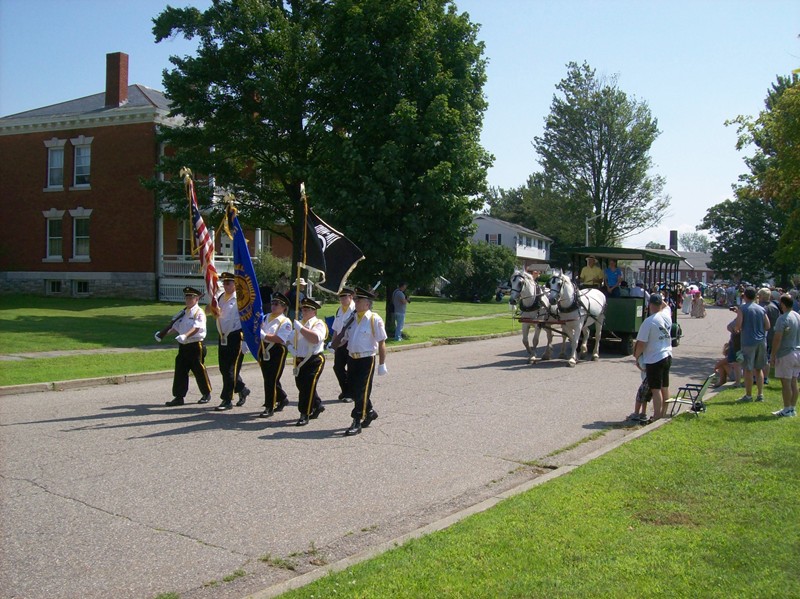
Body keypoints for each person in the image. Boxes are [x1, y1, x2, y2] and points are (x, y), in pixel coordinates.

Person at [343, 287, 388, 436]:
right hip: (352, 358)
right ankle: (369, 411)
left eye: (359, 300)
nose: (355, 302)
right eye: (355, 300)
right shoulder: (352, 317)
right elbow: (347, 336)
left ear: (367, 304)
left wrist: (382, 364)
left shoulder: (374, 319)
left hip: (366, 359)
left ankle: (356, 421)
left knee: (362, 390)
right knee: (354, 390)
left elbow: (381, 342)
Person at [164, 286, 212, 406]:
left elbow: (197, 328)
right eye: (187, 297)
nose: (189, 299)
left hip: (196, 345)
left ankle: (206, 393)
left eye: (191, 297)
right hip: (184, 346)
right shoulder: (184, 312)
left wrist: (185, 335)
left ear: (197, 299)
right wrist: (163, 334)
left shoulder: (198, 312)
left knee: (198, 370)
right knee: (180, 370)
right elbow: (176, 326)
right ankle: (179, 397)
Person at [632, 293, 673, 421]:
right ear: (661, 304)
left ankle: (656, 416)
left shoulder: (649, 321)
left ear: (649, 305)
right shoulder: (667, 314)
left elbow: (641, 344)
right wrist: (661, 299)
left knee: (655, 389)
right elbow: (667, 306)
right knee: (664, 387)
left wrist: (636, 357)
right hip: (667, 353)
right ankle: (664, 413)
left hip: (654, 358)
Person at [214, 272, 250, 411]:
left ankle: (227, 399)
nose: (225, 285)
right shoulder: (220, 297)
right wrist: (212, 305)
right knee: (224, 368)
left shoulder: (240, 299)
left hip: (236, 336)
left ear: (235, 284)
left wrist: (246, 340)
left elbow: (247, 320)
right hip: (223, 336)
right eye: (224, 283)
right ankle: (242, 389)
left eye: (228, 283)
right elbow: (208, 311)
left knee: (231, 369)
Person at [289, 297, 327, 426]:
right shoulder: (300, 323)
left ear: (314, 312)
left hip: (314, 359)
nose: (304, 312)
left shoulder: (318, 324)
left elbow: (315, 338)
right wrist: (290, 347)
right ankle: (317, 404)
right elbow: (289, 339)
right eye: (303, 309)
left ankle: (304, 413)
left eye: (307, 309)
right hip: (300, 360)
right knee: (301, 386)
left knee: (307, 386)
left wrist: (300, 329)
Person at [257, 292, 293, 418]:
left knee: (271, 379)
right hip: (264, 349)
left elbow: (280, 338)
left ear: (284, 307)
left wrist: (264, 335)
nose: (273, 306)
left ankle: (269, 406)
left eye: (276, 304)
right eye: (272, 303)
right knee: (268, 377)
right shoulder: (265, 317)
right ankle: (282, 398)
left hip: (277, 350)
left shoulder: (285, 321)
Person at [734, 287, 770, 403]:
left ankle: (748, 395)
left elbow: (738, 325)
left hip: (748, 341)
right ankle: (760, 394)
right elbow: (768, 325)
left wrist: (737, 329)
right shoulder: (761, 309)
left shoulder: (742, 308)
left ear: (745, 296)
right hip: (761, 341)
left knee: (748, 369)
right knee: (759, 369)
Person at [769, 294, 800, 417]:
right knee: (794, 381)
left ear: (782, 304)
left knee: (785, 383)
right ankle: (792, 408)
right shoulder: (798, 316)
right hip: (798, 351)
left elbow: (777, 338)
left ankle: (787, 408)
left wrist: (773, 355)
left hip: (786, 353)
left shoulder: (782, 318)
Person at [331, 287, 356, 402]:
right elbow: (336, 328)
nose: (342, 299)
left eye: (344, 296)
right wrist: (333, 342)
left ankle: (350, 393)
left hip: (351, 343)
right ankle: (345, 390)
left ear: (351, 297)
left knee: (351, 369)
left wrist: (343, 341)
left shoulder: (355, 309)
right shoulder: (339, 310)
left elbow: (354, 328)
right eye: (341, 296)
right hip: (340, 343)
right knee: (337, 367)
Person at [758, 287, 780, 385]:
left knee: (761, 358)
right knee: (767, 356)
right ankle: (765, 377)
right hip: (773, 334)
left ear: (761, 296)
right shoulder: (774, 307)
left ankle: (758, 377)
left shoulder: (761, 307)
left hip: (762, 334)